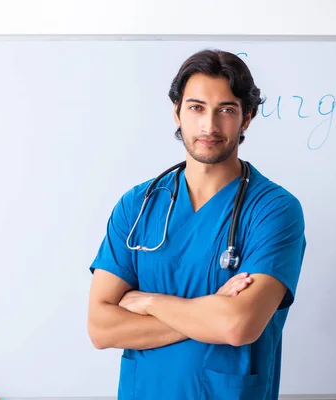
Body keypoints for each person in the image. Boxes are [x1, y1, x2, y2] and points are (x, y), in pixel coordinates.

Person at [87, 49, 306, 400]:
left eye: (227, 110)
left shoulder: (274, 211)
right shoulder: (137, 206)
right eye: (196, 107)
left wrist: (148, 302)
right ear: (177, 112)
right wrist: (209, 311)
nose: (210, 126)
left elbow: (237, 325)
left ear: (247, 117)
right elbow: (100, 328)